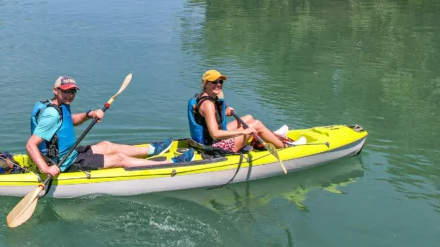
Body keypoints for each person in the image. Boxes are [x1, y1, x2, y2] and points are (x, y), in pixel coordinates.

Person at [27, 75, 192, 178]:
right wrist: (46, 169)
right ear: (56, 91)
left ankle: (152, 150)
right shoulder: (51, 114)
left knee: (107, 145)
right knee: (119, 158)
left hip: (70, 152)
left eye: (73, 91)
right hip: (63, 163)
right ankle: (170, 164)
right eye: (66, 91)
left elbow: (68, 121)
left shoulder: (57, 105)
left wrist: (89, 114)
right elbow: (31, 144)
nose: (70, 95)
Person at [187, 70, 288, 152]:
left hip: (208, 140)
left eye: (220, 82)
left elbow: (206, 117)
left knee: (249, 118)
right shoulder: (208, 104)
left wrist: (224, 112)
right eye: (214, 82)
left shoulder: (202, 97)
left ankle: (272, 135)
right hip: (214, 147)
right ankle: (284, 147)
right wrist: (243, 132)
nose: (218, 84)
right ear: (205, 84)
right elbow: (215, 134)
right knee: (256, 124)